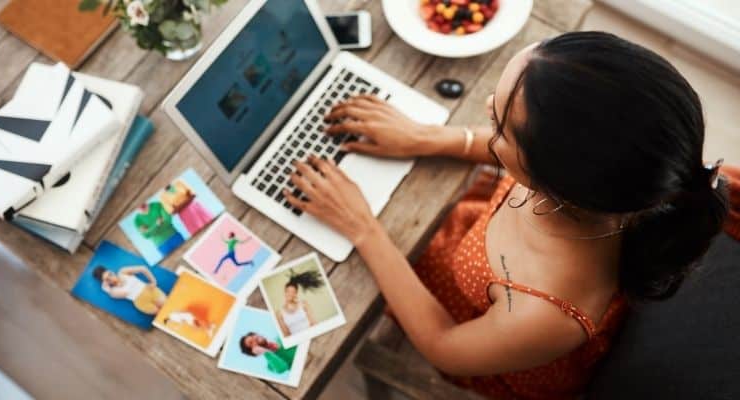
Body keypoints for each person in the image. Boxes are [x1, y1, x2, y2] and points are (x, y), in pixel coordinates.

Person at [281, 31, 735, 399]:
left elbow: (444, 348)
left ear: (552, 177)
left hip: (485, 335)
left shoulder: (548, 313)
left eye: (499, 126)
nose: (484, 111)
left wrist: (362, 227)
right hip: (483, 260)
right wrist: (429, 137)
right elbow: (526, 151)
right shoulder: (610, 183)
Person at [93, 265, 166, 315]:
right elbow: (124, 294)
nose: (111, 278)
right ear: (105, 282)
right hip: (141, 303)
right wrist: (107, 289)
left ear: (111, 271)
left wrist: (153, 281)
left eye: (110, 274)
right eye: (107, 279)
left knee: (167, 305)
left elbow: (142, 268)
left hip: (149, 290)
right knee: (162, 315)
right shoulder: (113, 291)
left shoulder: (122, 272)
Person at [275, 270, 320, 336]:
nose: (290, 294)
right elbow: (286, 334)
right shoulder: (279, 313)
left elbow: (314, 322)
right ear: (284, 292)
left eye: (293, 292)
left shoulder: (303, 304)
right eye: (288, 291)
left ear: (296, 294)